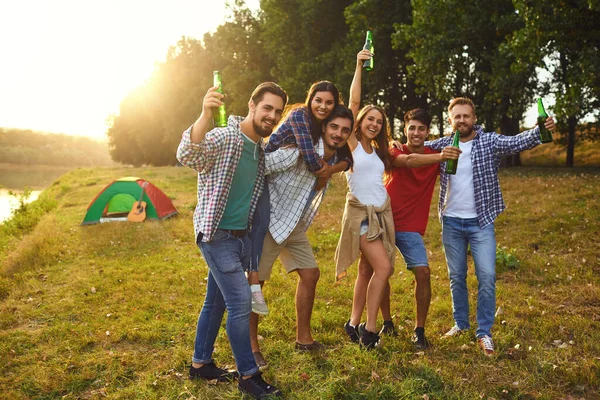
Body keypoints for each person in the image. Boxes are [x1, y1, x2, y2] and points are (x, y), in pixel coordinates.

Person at [176, 81, 288, 399]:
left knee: (217, 301)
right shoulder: (227, 137)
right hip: (216, 236)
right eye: (267, 107)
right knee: (240, 303)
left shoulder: (260, 151)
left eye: (278, 112)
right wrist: (204, 115)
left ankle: (200, 365)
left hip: (240, 239)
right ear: (252, 106)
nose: (272, 115)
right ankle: (248, 376)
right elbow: (187, 153)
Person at [425, 97, 556, 356]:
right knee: (456, 276)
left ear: (474, 119)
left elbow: (517, 141)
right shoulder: (442, 145)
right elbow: (413, 148)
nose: (461, 120)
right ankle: (460, 324)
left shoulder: (489, 142)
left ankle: (484, 333)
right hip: (450, 221)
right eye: (457, 116)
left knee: (486, 276)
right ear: (450, 120)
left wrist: (541, 130)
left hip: (481, 222)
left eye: (466, 116)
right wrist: (394, 145)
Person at [249, 81, 351, 368]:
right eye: (335, 128)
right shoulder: (298, 146)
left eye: (345, 130)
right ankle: (251, 346)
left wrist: (332, 168)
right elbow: (263, 166)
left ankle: (303, 338)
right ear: (325, 126)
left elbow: (347, 157)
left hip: (293, 226)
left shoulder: (336, 154)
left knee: (311, 274)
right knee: (257, 283)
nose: (339, 134)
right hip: (271, 221)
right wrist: (322, 171)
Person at [335, 49, 396, 350]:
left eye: (380, 121)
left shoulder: (377, 150)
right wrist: (359, 65)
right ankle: (370, 331)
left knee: (367, 270)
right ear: (358, 122)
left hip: (380, 214)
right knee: (384, 268)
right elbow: (353, 102)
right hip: (360, 216)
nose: (374, 123)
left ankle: (353, 322)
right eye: (370, 119)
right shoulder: (353, 144)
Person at [385, 108, 460, 350]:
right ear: (404, 129)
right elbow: (406, 162)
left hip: (410, 227)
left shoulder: (435, 155)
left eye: (421, 128)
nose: (416, 133)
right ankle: (386, 322)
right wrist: (440, 157)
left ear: (427, 132)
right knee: (381, 272)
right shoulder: (394, 149)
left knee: (424, 273)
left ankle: (419, 330)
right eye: (412, 128)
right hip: (384, 221)